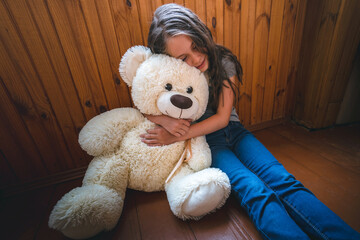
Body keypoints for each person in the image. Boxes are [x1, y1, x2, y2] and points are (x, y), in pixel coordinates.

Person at [140, 3, 360, 240]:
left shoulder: (222, 59)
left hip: (235, 131)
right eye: (183, 58)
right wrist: (164, 121)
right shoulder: (164, 73)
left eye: (196, 45)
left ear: (201, 32)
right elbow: (144, 102)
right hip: (209, 144)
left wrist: (176, 134)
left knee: (284, 181)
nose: (196, 58)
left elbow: (224, 118)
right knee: (254, 189)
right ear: (170, 61)